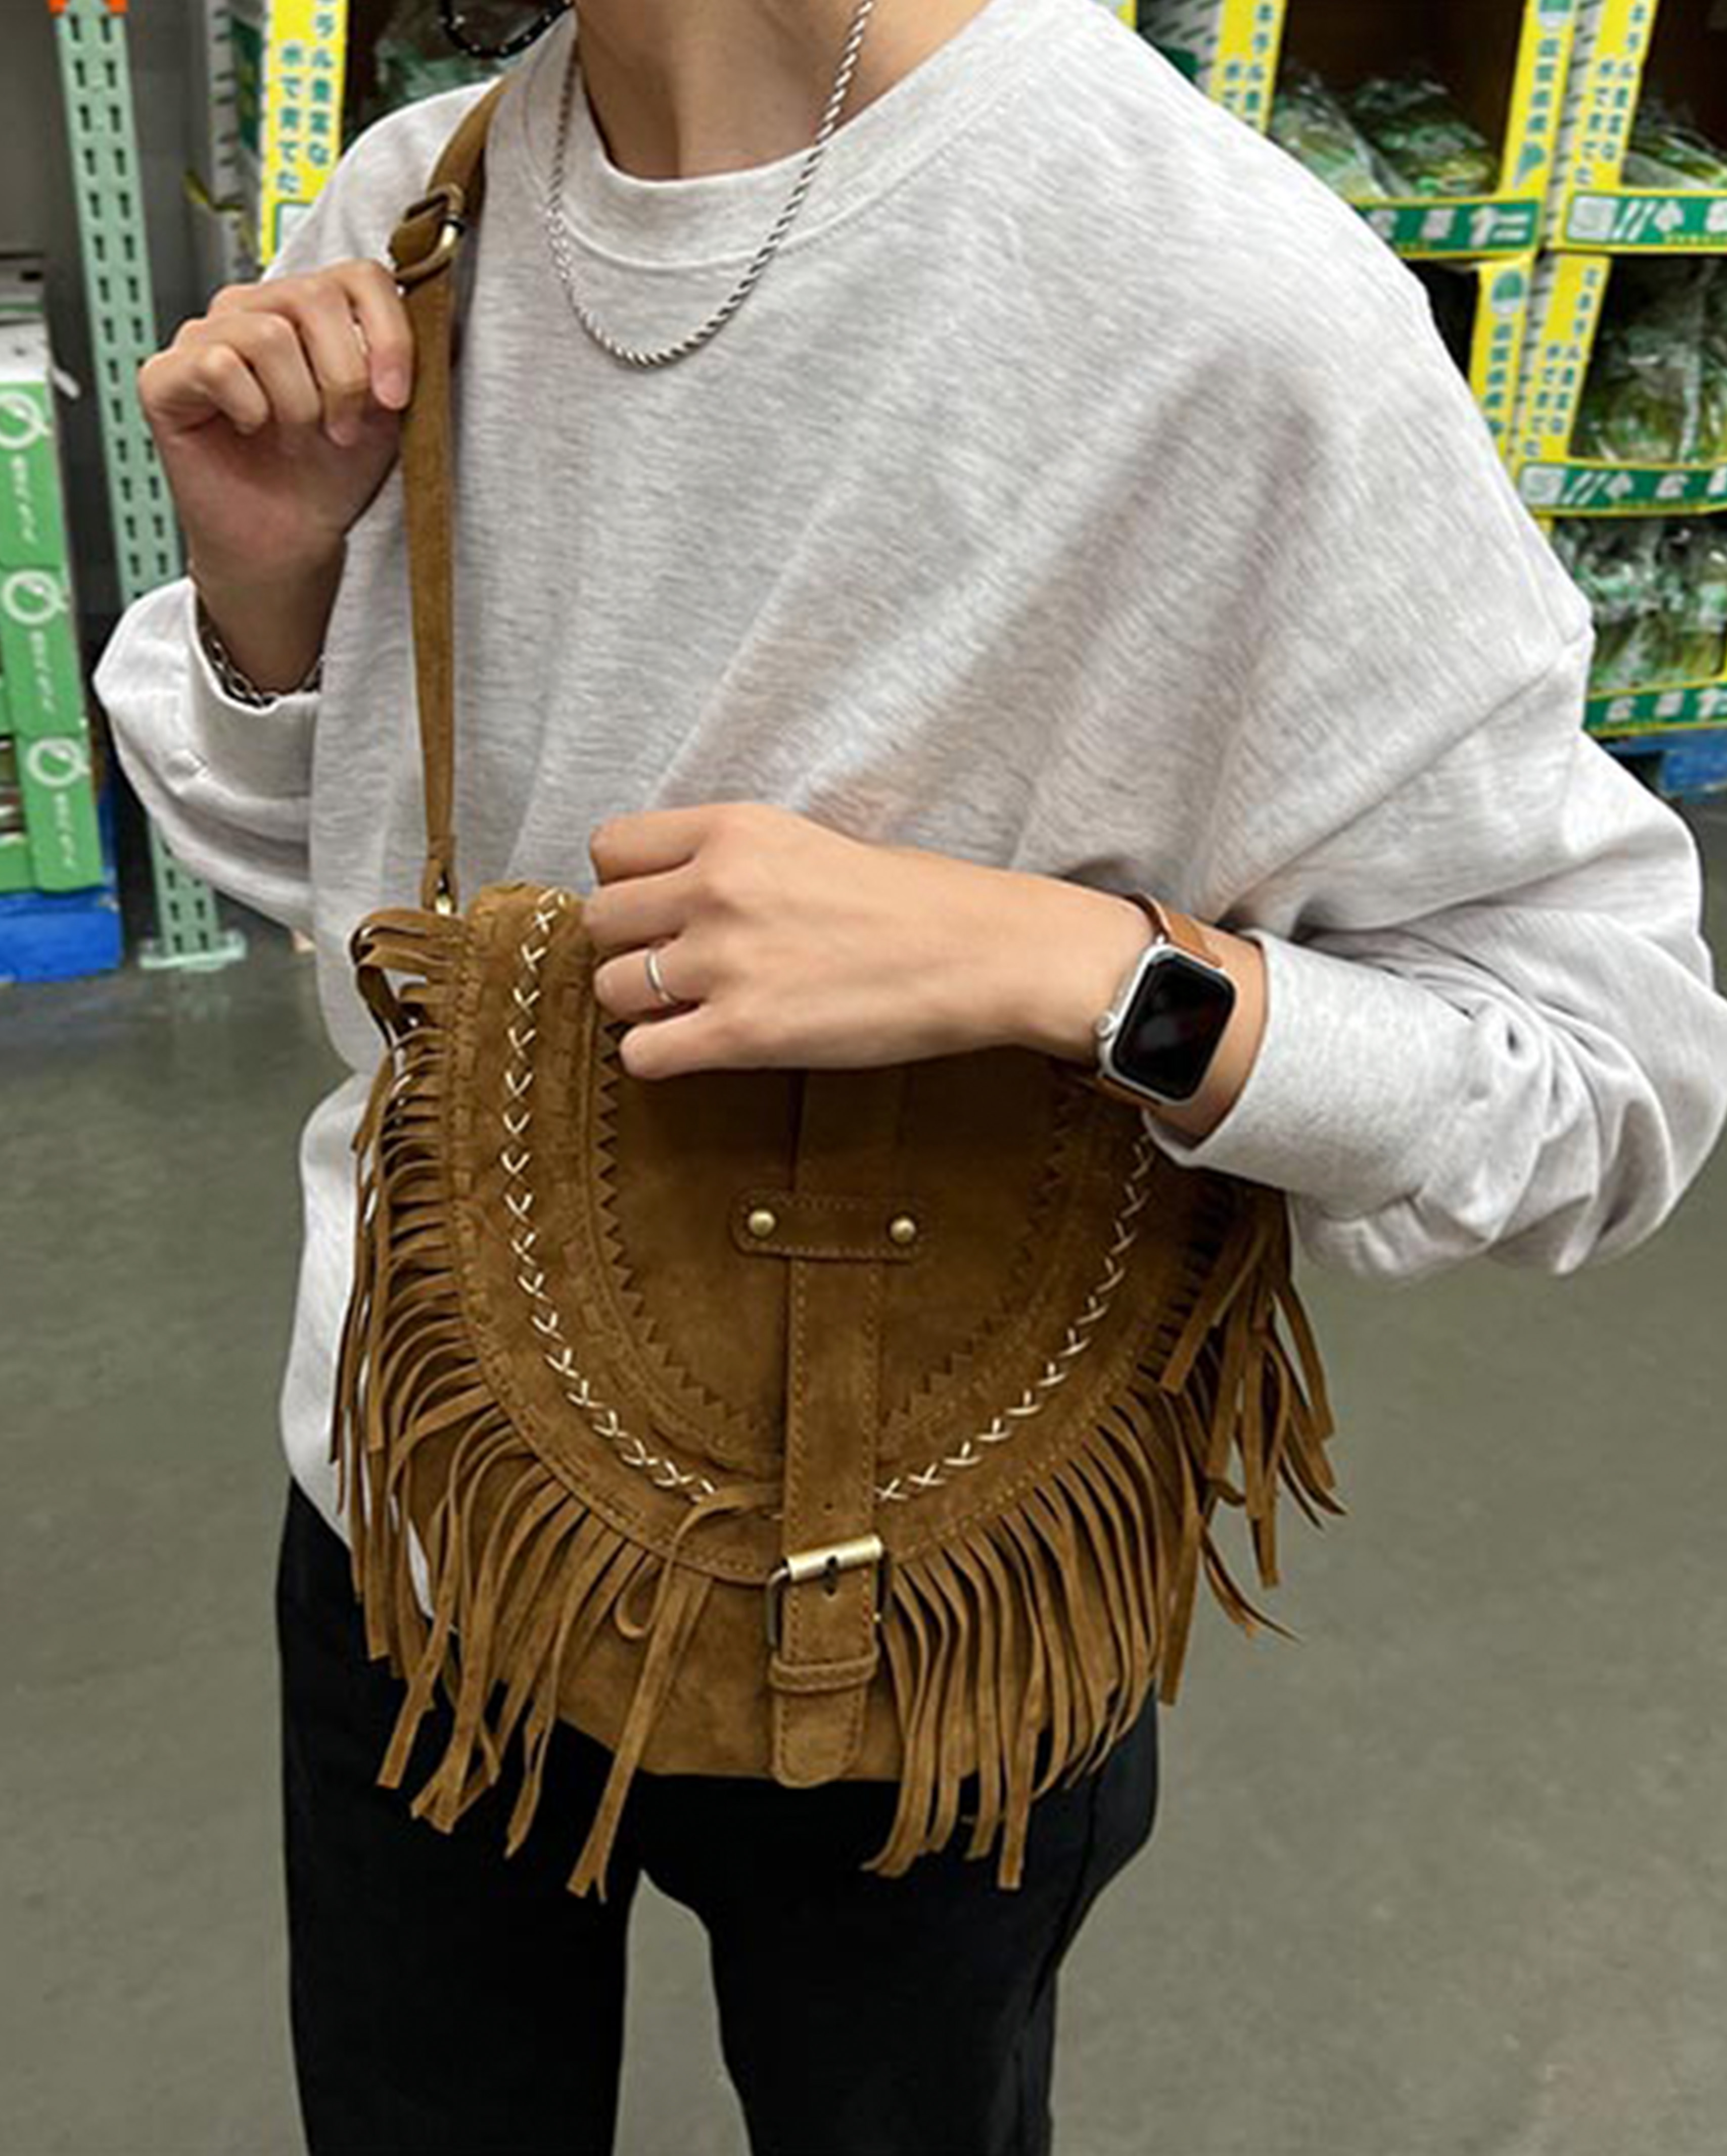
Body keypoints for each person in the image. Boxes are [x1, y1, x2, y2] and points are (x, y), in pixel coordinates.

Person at [95, 1, 1727, 2150]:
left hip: (934, 1582)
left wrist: (1081, 971)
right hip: (420, 1485)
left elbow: (1606, 1071)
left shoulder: (1218, 297)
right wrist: (270, 589)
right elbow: (326, 872)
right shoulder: (423, 207)